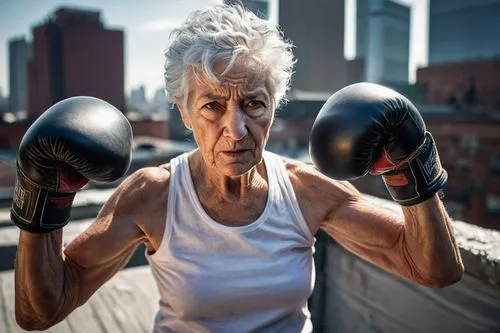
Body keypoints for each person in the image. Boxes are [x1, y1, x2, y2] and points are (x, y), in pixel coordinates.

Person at [12, 4, 464, 333]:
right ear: (183, 113)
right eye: (212, 106)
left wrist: (412, 166)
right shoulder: (153, 196)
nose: (236, 129)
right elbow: (39, 312)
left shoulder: (305, 190)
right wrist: (41, 194)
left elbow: (434, 268)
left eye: (254, 103)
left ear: (273, 108)